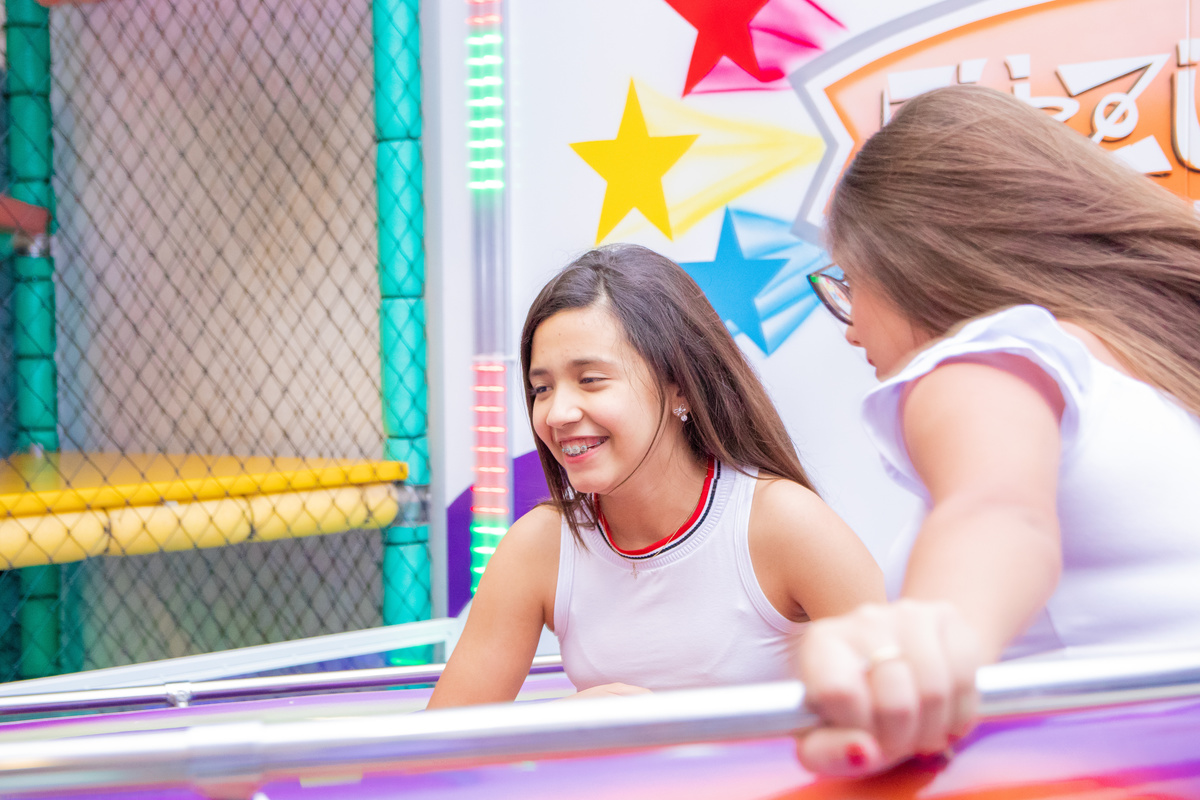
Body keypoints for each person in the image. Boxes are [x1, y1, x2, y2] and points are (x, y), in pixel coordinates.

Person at [796, 84, 1200, 776]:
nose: (852, 326)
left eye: (849, 281)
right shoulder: (1156, 379)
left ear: (912, 265)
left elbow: (998, 511)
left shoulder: (990, 357)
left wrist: (923, 645)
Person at [428, 244, 884, 707]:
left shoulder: (783, 522)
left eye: (590, 380)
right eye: (541, 388)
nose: (557, 413)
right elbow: (434, 751)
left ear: (678, 385)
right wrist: (559, 723)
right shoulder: (537, 547)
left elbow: (905, 705)